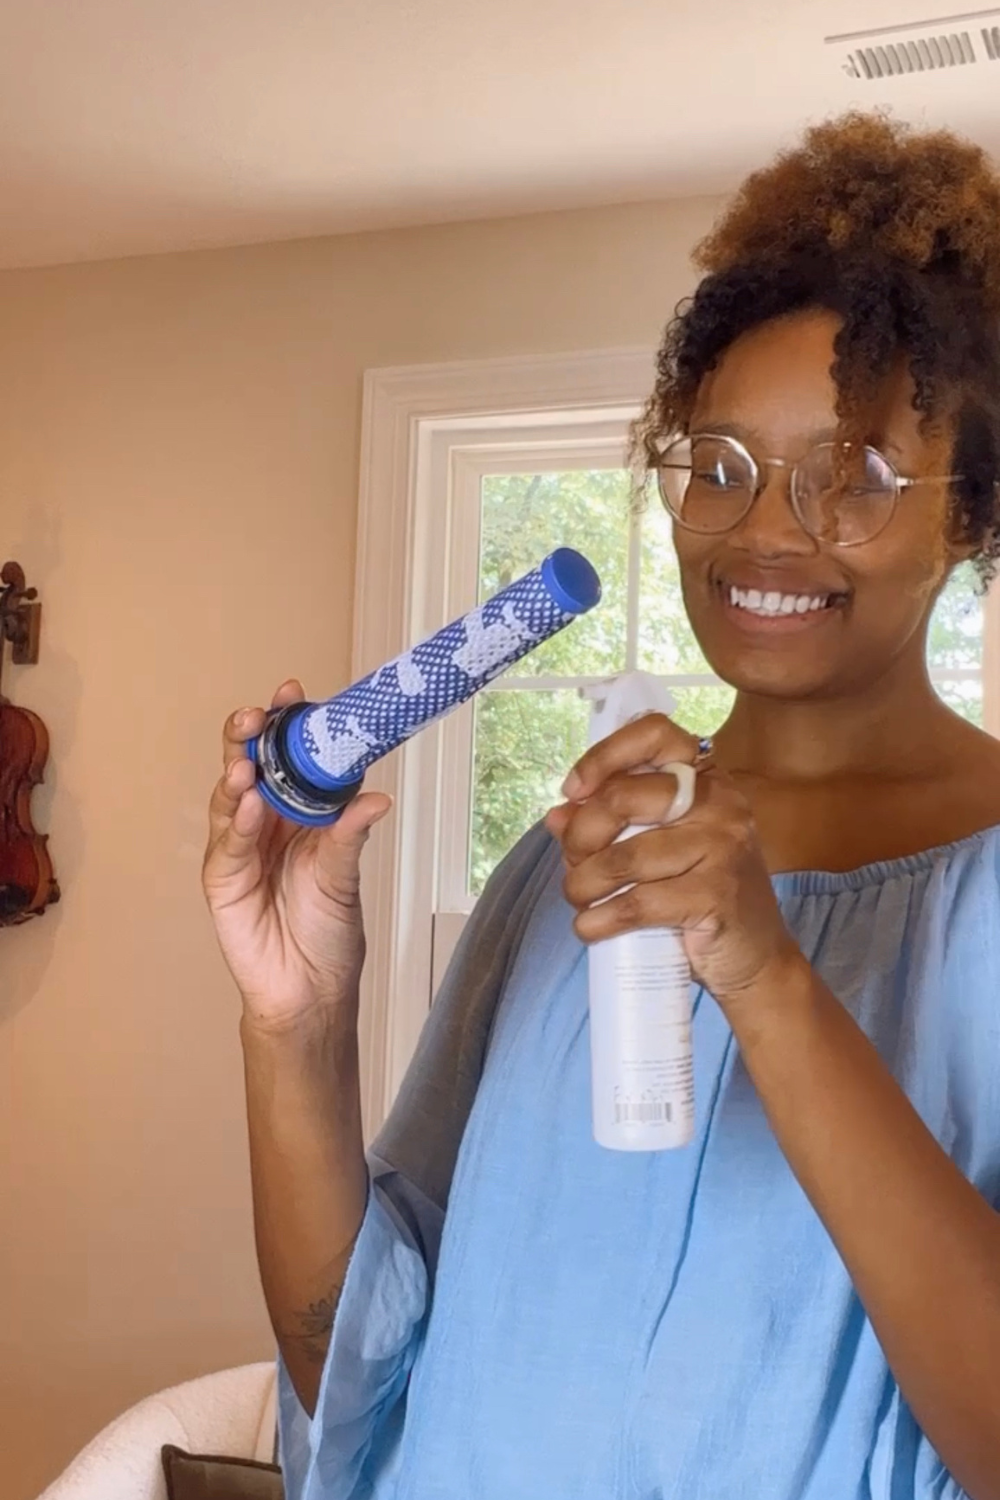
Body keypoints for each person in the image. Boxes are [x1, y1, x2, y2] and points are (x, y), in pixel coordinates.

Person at [203, 113, 1000, 1499]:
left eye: (854, 474)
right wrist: (296, 1022)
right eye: (721, 463)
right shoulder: (566, 867)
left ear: (975, 514)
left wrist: (764, 973)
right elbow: (353, 1362)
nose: (766, 528)